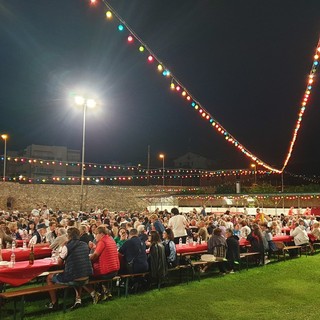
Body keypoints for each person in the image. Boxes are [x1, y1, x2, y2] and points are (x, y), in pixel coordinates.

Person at [46, 227, 93, 310]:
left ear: (68, 236)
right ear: (79, 235)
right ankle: (78, 299)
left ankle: (54, 303)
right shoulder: (84, 244)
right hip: (86, 276)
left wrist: (62, 253)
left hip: (74, 277)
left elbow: (59, 263)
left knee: (49, 277)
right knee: (77, 271)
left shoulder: (67, 247)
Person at [82, 225, 120, 302]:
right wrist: (94, 247)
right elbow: (103, 251)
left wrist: (87, 258)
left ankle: (94, 293)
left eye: (96, 234)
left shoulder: (102, 241)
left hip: (106, 272)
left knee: (82, 277)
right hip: (114, 270)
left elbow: (95, 255)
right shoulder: (110, 239)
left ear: (101, 234)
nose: (95, 236)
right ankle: (105, 291)